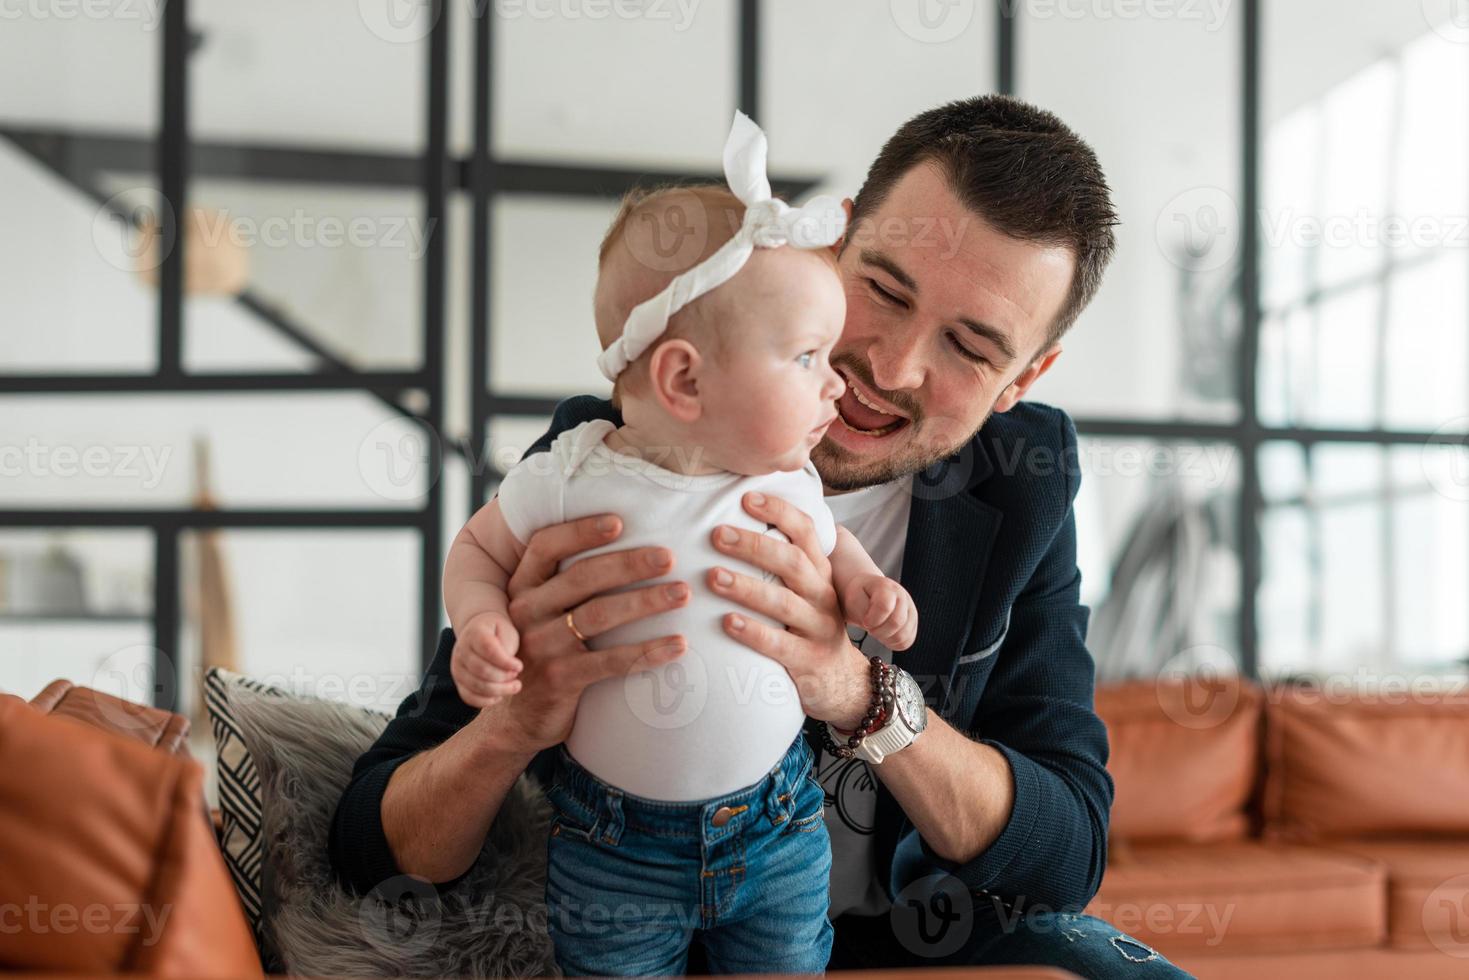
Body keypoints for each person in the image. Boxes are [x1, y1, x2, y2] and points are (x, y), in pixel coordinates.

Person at [330, 94, 1192, 979]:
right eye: (883, 290)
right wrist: (517, 720)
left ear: (1024, 377)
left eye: (970, 349)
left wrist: (857, 692)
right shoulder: (625, 455)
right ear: (833, 243)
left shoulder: (1020, 480)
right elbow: (373, 850)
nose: (889, 369)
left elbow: (1063, 854)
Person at [439, 113, 918, 976]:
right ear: (684, 379)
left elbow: (836, 554)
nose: (836, 382)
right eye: (808, 356)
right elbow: (476, 550)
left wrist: (869, 589)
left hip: (776, 823)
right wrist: (482, 624)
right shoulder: (569, 475)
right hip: (612, 845)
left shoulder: (785, 478)